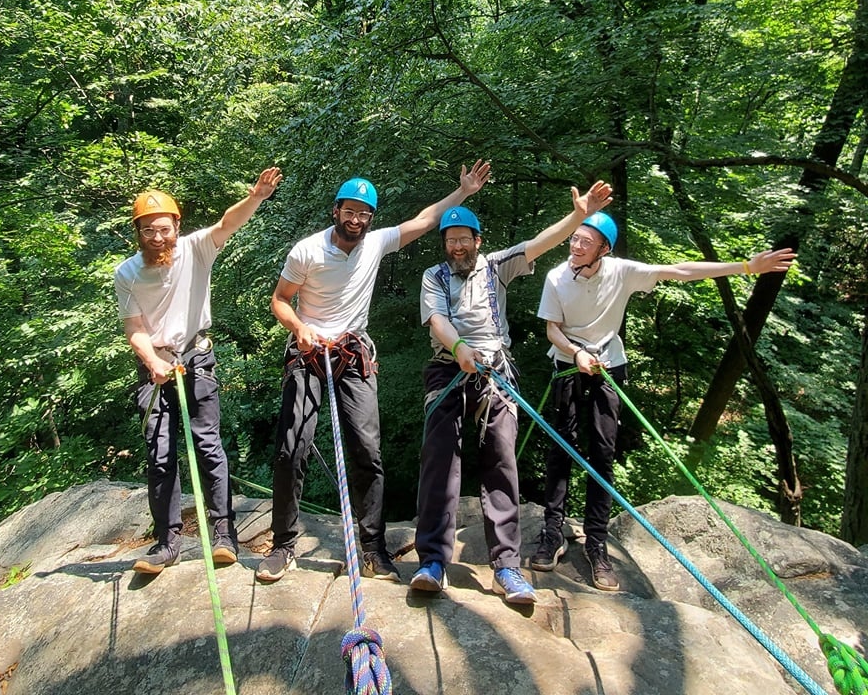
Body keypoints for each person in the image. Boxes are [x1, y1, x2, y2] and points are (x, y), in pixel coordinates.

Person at [533, 211, 797, 591]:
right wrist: (575, 353)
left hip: (608, 367)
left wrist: (744, 266)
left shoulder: (622, 271)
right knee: (561, 450)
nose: (575, 246)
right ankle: (552, 532)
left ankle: (596, 543)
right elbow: (552, 329)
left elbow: (679, 271)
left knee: (602, 455)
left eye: (585, 242)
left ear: (603, 250)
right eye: (574, 239)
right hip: (568, 368)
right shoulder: (556, 277)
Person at [256, 160, 492, 584]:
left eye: (364, 213)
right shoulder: (307, 251)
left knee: (367, 450)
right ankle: (283, 544)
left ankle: (372, 549)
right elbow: (280, 300)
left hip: (352, 354)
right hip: (309, 351)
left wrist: (464, 193)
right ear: (336, 211)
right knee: (292, 448)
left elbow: (424, 220)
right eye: (349, 211)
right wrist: (299, 327)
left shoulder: (376, 243)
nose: (356, 219)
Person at [411, 182, 613, 605]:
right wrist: (460, 348)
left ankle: (506, 566)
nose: (458, 247)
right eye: (451, 241)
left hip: (495, 372)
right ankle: (432, 560)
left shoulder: (497, 265)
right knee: (439, 460)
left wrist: (578, 216)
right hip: (448, 367)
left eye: (464, 239)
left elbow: (540, 244)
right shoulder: (434, 276)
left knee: (501, 463)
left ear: (477, 241)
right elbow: (437, 322)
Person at [115, 169, 283, 574]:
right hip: (155, 366)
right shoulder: (127, 273)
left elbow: (228, 222)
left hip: (195, 359)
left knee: (207, 444)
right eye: (148, 230)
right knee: (159, 454)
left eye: (163, 228)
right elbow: (134, 327)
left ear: (176, 225)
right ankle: (166, 541)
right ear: (137, 232)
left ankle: (224, 534)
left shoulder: (195, 249)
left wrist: (256, 197)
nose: (157, 238)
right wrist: (153, 362)